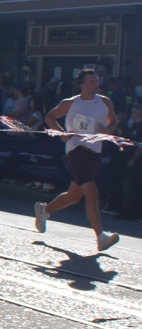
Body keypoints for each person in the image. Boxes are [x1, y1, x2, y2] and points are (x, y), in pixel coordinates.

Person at [34, 70, 119, 252]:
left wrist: (108, 130)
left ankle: (44, 210)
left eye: (97, 80)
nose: (96, 84)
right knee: (92, 191)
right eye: (92, 81)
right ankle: (100, 236)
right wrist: (62, 133)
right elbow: (50, 117)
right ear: (82, 85)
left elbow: (113, 122)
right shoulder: (71, 103)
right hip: (76, 149)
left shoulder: (105, 102)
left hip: (94, 151)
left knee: (74, 195)